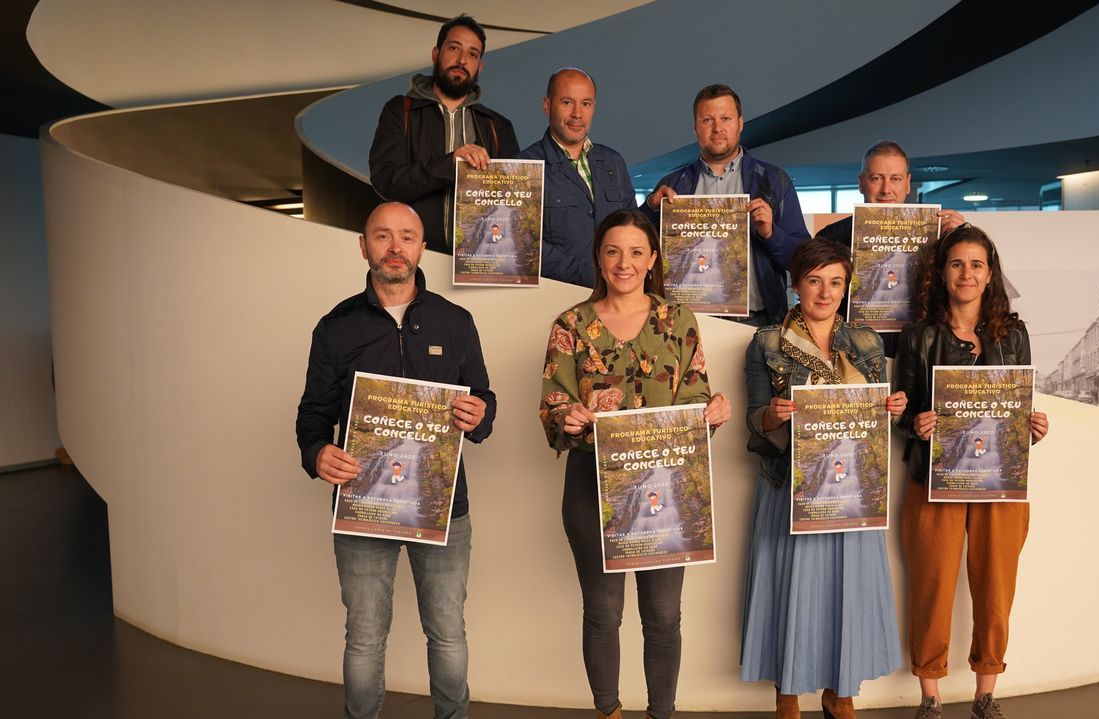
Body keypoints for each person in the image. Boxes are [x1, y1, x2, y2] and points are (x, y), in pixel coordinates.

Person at [295, 202, 497, 719]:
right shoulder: (335, 327)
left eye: (406, 236)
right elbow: (312, 414)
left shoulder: (455, 322)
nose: (394, 246)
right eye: (382, 236)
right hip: (363, 506)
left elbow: (484, 402)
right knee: (364, 636)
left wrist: (479, 414)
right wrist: (317, 453)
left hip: (444, 505)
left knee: (448, 631)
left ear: (421, 247)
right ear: (363, 246)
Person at [538, 209, 732, 719]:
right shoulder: (571, 325)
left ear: (652, 261)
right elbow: (552, 405)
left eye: (636, 252)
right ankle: (609, 712)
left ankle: (661, 713)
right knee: (603, 613)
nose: (624, 263)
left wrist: (714, 413)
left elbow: (697, 403)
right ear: (599, 259)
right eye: (613, 251)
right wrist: (571, 416)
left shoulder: (679, 321)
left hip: (668, 489)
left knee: (664, 616)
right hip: (591, 485)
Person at [740, 239, 907, 719]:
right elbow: (754, 421)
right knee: (788, 589)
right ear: (796, 285)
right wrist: (772, 415)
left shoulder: (868, 342)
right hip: (789, 485)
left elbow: (878, 422)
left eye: (836, 282)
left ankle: (840, 689)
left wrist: (893, 411)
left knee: (845, 591)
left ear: (847, 286)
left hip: (855, 490)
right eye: (815, 281)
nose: (825, 292)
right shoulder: (767, 342)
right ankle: (788, 693)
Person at [893, 224, 1050, 719]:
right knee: (932, 584)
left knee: (996, 584)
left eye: (976, 264)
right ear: (941, 273)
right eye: (956, 263)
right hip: (934, 482)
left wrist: (1032, 427)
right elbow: (899, 416)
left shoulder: (1015, 333)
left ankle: (986, 693)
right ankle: (930, 697)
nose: (966, 273)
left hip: (1001, 484)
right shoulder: (919, 337)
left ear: (990, 274)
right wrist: (917, 425)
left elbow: (1017, 407)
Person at [642, 84, 809, 326]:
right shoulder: (672, 184)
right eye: (707, 120)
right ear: (695, 128)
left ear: (740, 123)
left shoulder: (773, 180)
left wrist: (771, 234)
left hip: (757, 322)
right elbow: (636, 248)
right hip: (686, 323)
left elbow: (803, 261)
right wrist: (651, 206)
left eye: (725, 118)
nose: (717, 128)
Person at [369, 14, 519, 255]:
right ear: (436, 54)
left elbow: (514, 203)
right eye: (454, 48)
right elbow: (386, 181)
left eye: (472, 54)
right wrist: (450, 164)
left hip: (480, 263)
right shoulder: (401, 110)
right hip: (414, 258)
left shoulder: (497, 126)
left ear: (479, 66)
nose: (462, 60)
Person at [815, 141, 966, 356]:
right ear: (861, 183)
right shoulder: (831, 237)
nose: (886, 190)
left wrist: (960, 237)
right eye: (876, 178)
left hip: (922, 350)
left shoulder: (939, 234)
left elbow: (971, 289)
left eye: (895, 179)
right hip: (852, 354)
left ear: (907, 183)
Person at [519, 67, 637, 287]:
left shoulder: (613, 162)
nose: (577, 114)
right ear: (547, 106)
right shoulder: (524, 167)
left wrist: (655, 205)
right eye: (567, 102)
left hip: (615, 298)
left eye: (586, 103)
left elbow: (633, 226)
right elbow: (525, 245)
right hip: (556, 298)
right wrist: (592, 276)